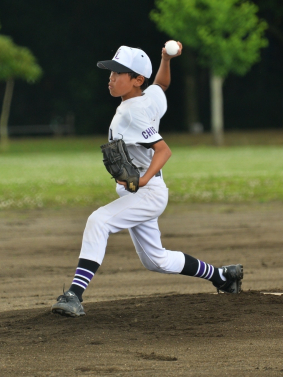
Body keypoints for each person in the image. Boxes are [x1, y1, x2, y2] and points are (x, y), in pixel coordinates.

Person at [51, 42, 243, 317]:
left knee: (98, 221)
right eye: (111, 72)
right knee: (157, 260)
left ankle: (74, 295)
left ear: (136, 80)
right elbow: (161, 86)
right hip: (142, 192)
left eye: (119, 73)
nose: (111, 78)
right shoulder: (147, 98)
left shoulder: (131, 114)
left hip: (147, 192)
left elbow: (164, 150)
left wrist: (142, 180)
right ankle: (223, 277)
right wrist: (166, 59)